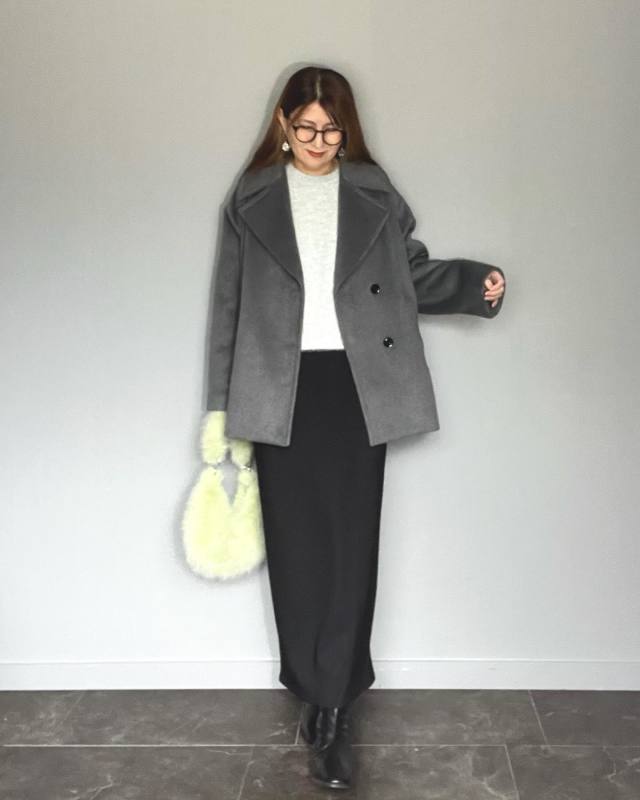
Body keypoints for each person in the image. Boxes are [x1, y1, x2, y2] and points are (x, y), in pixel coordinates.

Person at [205, 65, 506, 791]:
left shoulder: (372, 189)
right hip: (278, 387)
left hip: (356, 384)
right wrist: (219, 411)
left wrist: (474, 284)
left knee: (350, 544)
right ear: (283, 124)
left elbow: (410, 274)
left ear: (348, 130)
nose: (318, 141)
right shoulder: (250, 199)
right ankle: (311, 691)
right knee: (296, 549)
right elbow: (228, 309)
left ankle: (337, 706)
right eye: (306, 127)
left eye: (332, 129)